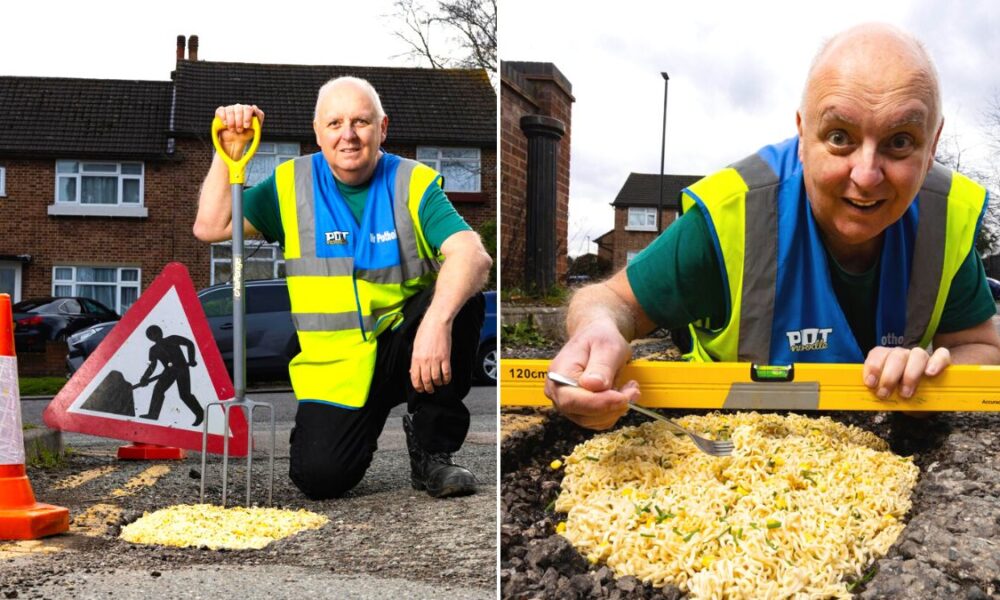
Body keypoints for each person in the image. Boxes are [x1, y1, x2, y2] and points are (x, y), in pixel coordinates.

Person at [545, 23, 1000, 430]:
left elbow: (982, 346)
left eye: (900, 142)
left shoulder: (945, 217)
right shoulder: (730, 216)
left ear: (932, 144)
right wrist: (595, 331)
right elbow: (610, 301)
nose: (866, 175)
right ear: (802, 135)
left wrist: (931, 377)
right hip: (725, 454)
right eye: (839, 137)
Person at [194, 76, 492, 498]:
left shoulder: (412, 182)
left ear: (382, 128)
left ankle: (432, 451)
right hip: (335, 371)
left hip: (406, 348)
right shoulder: (291, 184)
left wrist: (436, 323)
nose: (348, 135)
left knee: (462, 298)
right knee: (320, 479)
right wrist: (228, 154)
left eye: (360, 122)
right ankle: (340, 432)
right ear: (317, 133)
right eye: (334, 123)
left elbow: (472, 255)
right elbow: (211, 226)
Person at [137, 325, 203, 426]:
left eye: (156, 333)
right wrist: (145, 377)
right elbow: (152, 365)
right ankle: (153, 414)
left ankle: (200, 414)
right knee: (158, 390)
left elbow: (189, 343)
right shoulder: (153, 350)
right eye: (151, 335)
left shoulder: (172, 339)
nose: (155, 336)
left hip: (181, 368)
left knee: (184, 394)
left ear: (160, 332)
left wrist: (191, 359)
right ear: (150, 338)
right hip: (168, 372)